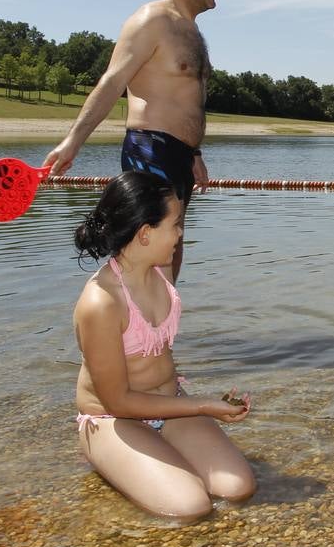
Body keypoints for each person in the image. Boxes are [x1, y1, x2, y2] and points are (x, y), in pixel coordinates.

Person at [72, 171, 255, 519]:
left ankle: (153, 457)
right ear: (145, 234)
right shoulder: (101, 303)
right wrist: (204, 406)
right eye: (174, 224)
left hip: (169, 404)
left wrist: (202, 405)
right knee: (190, 507)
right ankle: (102, 454)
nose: (180, 233)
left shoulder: (162, 269)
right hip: (115, 418)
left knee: (238, 488)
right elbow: (118, 401)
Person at [45, 0, 224, 280]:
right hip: (151, 150)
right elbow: (112, 82)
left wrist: (194, 152)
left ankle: (158, 331)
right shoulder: (151, 20)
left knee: (172, 245)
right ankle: (113, 321)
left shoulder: (191, 30)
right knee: (147, 251)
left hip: (180, 154)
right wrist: (73, 142)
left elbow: (186, 97)